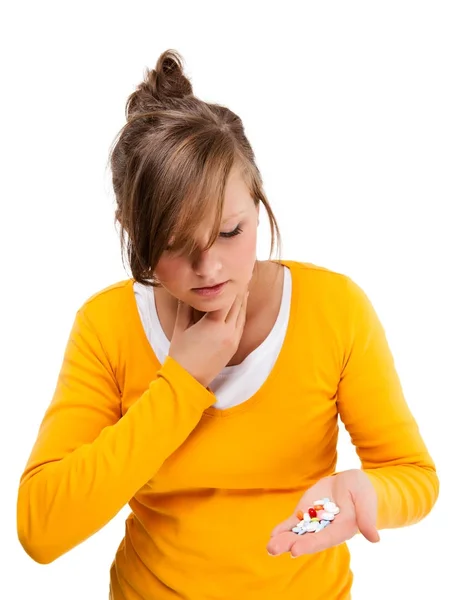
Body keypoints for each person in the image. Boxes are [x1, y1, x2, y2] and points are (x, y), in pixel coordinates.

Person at [16, 49, 439, 600]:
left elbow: (413, 474)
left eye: (231, 232)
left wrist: (364, 493)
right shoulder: (106, 326)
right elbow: (41, 530)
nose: (209, 268)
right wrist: (181, 383)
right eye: (173, 245)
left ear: (258, 202)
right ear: (130, 228)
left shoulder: (336, 310)